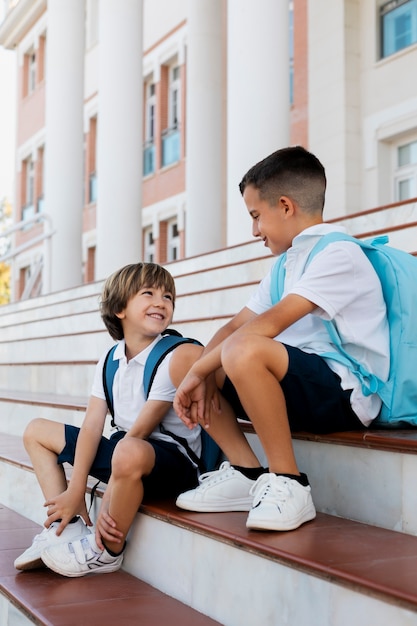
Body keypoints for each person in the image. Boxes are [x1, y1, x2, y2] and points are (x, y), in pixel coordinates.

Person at [174, 146, 390, 532]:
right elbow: (233, 325)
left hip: (347, 393)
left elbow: (263, 328)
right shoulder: (287, 264)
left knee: (241, 349)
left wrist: (198, 375)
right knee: (184, 355)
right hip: (299, 384)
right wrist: (195, 368)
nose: (255, 230)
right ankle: (246, 471)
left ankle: (290, 482)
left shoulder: (339, 254)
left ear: (286, 206)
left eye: (257, 216)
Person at [15, 262, 204, 576]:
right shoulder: (110, 359)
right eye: (149, 293)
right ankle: (69, 526)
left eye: (168, 296)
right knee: (36, 431)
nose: (162, 302)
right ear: (120, 309)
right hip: (126, 452)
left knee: (127, 450)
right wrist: (76, 491)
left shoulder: (172, 355)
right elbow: (92, 427)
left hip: (175, 463)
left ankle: (107, 551)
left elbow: (141, 431)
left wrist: (111, 491)